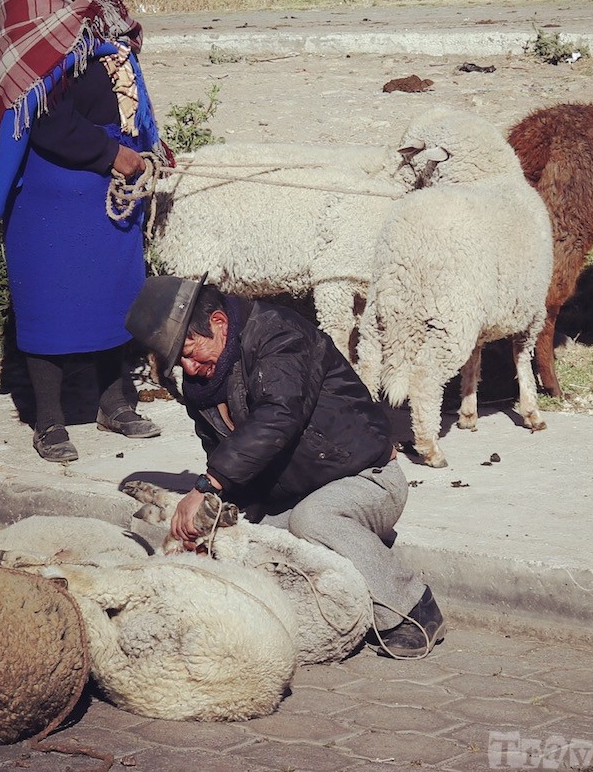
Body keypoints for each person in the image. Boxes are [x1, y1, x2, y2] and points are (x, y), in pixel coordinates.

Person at [125, 275, 446, 659]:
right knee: (238, 540)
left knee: (314, 519)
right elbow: (233, 464)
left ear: (218, 323)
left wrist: (206, 486)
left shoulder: (279, 335)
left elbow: (278, 416)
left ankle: (413, 609)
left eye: (192, 352)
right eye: (179, 361)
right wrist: (219, 521)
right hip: (295, 493)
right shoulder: (204, 388)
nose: (189, 368)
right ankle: (356, 553)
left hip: (366, 479)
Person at [0, 0, 169, 463]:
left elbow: (126, 90)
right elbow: (42, 118)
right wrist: (111, 153)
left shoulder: (105, 15)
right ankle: (48, 420)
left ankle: (114, 403)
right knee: (50, 303)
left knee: (115, 295)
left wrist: (146, 145)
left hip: (109, 188)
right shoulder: (30, 16)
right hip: (53, 189)